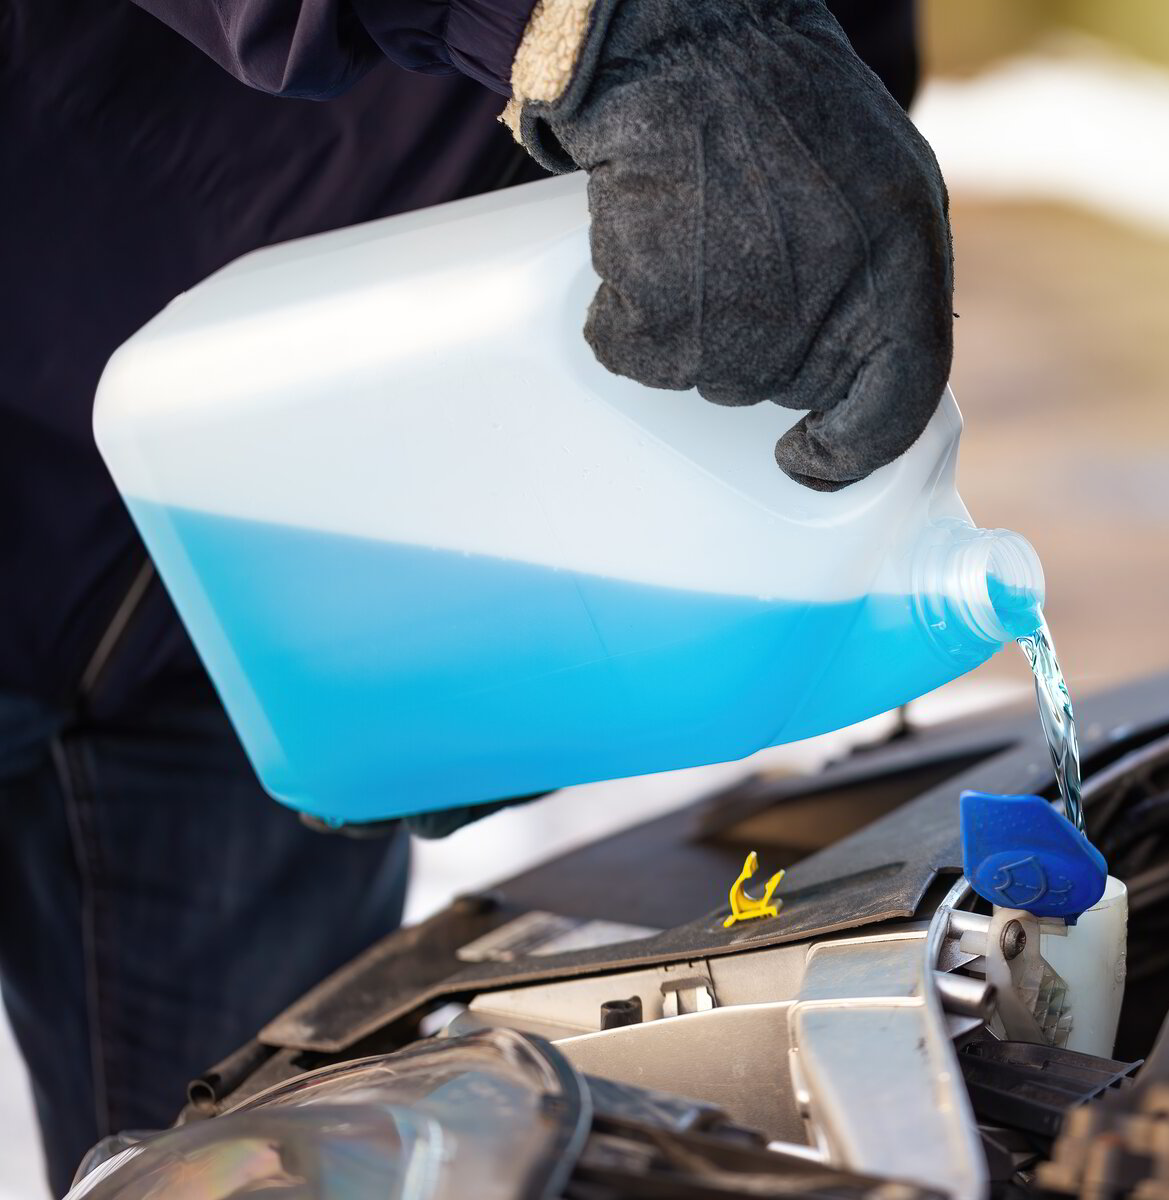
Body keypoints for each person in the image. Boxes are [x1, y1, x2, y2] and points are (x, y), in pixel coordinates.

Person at [2, 0, 951, 1188]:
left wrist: (806, 134)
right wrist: (629, 27)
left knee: (272, 1146)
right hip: (101, 344)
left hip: (290, 560)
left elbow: (796, 115)